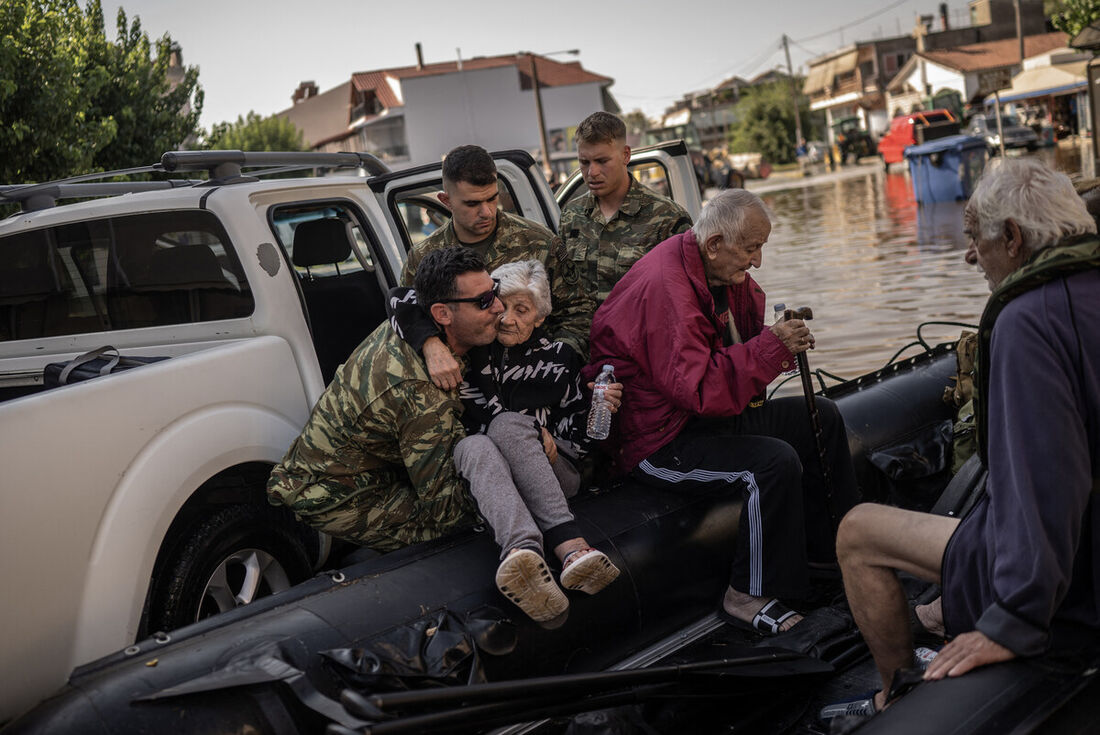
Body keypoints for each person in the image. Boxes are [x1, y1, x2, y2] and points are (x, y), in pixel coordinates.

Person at [826, 158, 1100, 721]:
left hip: (1071, 578)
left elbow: (1049, 482)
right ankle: (941, 611)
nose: (970, 255)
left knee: (858, 531)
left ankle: (894, 696)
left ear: (1014, 238)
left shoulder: (1029, 320)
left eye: (975, 238)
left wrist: (1016, 619)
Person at [585, 188, 860, 634]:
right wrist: (772, 347)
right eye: (751, 248)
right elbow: (700, 390)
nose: (757, 261)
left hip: (697, 418)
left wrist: (775, 338)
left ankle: (835, 553)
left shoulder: (709, 269)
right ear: (715, 244)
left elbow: (735, 352)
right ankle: (745, 594)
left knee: (821, 417)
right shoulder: (667, 290)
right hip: (658, 439)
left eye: (761, 248)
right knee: (771, 464)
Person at [266, 247, 502, 550]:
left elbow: (403, 297)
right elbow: (444, 508)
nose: (498, 307)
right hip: (339, 495)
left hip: (373, 466)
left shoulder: (412, 326)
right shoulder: (422, 393)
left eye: (494, 291)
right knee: (468, 529)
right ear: (441, 314)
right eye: (483, 302)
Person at [452, 260, 621, 622]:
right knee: (472, 446)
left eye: (522, 310)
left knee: (508, 425)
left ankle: (572, 547)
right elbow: (400, 300)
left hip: (555, 473)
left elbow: (586, 443)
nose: (507, 318)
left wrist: (598, 410)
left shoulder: (559, 360)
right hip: (494, 476)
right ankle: (522, 555)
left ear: (540, 318)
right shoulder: (471, 349)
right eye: (501, 305)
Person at [399, 144, 592, 388]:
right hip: (462, 387)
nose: (487, 212)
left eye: (492, 198)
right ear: (446, 201)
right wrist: (430, 344)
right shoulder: (424, 256)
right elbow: (408, 310)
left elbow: (578, 311)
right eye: (472, 204)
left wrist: (558, 359)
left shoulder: (537, 242)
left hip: (536, 381)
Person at [560, 111, 693, 309]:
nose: (592, 172)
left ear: (625, 155)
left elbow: (684, 299)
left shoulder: (668, 218)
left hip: (640, 337)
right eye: (584, 162)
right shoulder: (571, 215)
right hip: (584, 337)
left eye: (602, 161)